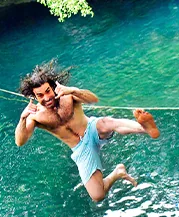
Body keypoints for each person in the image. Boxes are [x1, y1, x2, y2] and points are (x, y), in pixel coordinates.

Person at [15, 60, 160, 202]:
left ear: (52, 87)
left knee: (107, 123)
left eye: (48, 91)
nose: (46, 97)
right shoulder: (35, 116)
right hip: (80, 150)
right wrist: (22, 118)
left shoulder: (67, 95)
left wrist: (74, 91)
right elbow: (20, 142)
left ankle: (145, 128)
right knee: (98, 196)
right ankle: (118, 173)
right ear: (34, 96)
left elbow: (93, 99)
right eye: (40, 95)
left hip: (91, 129)